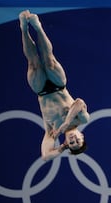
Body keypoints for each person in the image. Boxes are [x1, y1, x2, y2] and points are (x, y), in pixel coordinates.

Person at [19, 10, 90, 161]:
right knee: (49, 61)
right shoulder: (82, 120)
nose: (74, 140)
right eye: (78, 140)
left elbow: (45, 157)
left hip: (41, 90)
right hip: (59, 85)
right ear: (81, 134)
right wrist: (66, 123)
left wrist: (62, 147)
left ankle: (24, 28)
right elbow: (79, 102)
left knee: (34, 64)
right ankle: (38, 27)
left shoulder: (51, 132)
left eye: (72, 144)